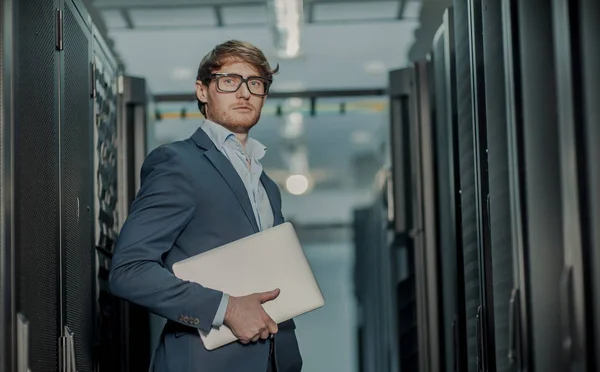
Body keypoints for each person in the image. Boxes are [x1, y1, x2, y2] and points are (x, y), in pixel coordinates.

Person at [109, 40, 303, 372]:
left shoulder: (267, 186)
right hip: (204, 362)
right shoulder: (178, 163)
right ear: (203, 90)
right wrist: (226, 309)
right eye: (229, 81)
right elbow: (129, 272)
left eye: (255, 83)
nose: (244, 93)